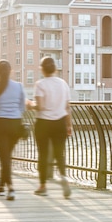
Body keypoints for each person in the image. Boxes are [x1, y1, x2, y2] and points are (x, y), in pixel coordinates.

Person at [28, 56, 73, 198]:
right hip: (60, 122)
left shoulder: (40, 84)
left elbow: (39, 106)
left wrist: (30, 105)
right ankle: (63, 176)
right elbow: (67, 107)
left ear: (42, 69)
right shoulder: (63, 84)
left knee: (43, 154)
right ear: (54, 68)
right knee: (60, 153)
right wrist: (69, 125)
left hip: (43, 123)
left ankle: (42, 186)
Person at [0, 60, 26, 201]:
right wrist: (14, 115)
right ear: (11, 71)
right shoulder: (19, 86)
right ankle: (1, 185)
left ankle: (11, 188)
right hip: (15, 124)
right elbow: (22, 107)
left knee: (4, 157)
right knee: (6, 156)